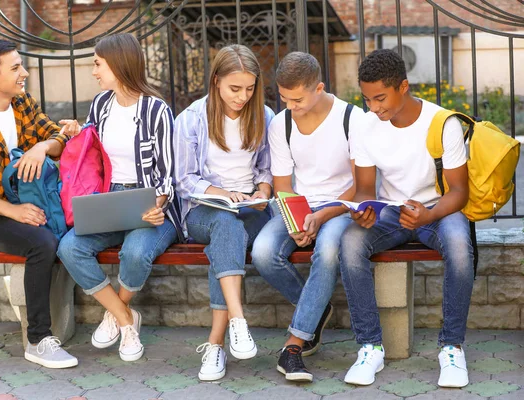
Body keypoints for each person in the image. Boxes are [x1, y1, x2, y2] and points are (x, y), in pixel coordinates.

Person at [340, 49, 473, 388]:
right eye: (367, 99)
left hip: (439, 210)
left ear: (403, 86)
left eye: (380, 97)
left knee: (459, 246)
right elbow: (365, 189)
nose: (374, 107)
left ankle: (451, 348)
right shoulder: (365, 127)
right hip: (392, 212)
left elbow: (459, 191)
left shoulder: (443, 122)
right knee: (351, 241)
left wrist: (429, 213)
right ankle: (370, 347)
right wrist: (365, 212)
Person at [0, 39, 78, 368]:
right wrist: (13, 211)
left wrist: (41, 147)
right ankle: (38, 340)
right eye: (16, 67)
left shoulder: (23, 104)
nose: (25, 73)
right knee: (42, 243)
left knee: (74, 231)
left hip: (29, 203)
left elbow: (60, 137)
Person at [56, 33, 183, 362]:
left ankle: (117, 315)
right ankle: (125, 317)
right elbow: (91, 153)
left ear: (118, 64)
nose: (94, 71)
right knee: (69, 247)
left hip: (151, 207)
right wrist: (77, 132)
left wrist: (158, 205)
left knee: (135, 253)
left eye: (98, 64)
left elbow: (169, 174)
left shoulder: (156, 111)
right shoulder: (101, 105)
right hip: (110, 202)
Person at [251, 52, 364, 382]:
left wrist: (322, 216)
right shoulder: (281, 123)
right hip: (301, 204)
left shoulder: (351, 118)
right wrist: (295, 222)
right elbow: (284, 188)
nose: (290, 106)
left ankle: (294, 345)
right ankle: (316, 308)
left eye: (297, 99)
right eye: (284, 98)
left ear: (319, 87)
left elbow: (361, 189)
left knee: (326, 250)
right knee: (263, 252)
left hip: (342, 207)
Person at [174, 44, 274, 381]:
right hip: (204, 210)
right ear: (216, 81)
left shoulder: (265, 116)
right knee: (225, 225)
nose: (242, 96)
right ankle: (237, 322)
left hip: (250, 210)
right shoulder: (190, 119)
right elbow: (184, 181)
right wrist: (222, 194)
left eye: (249, 88)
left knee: (227, 238)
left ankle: (217, 344)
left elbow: (265, 170)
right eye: (235, 88)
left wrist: (261, 192)